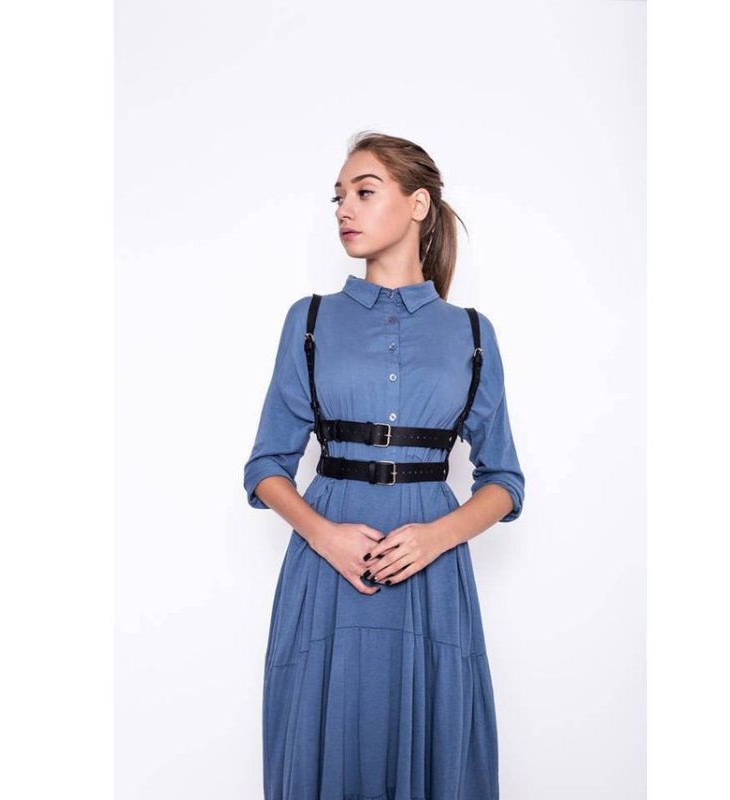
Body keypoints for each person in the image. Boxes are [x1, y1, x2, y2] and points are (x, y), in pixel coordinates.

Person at [243, 131, 525, 800]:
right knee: (321, 737)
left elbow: (504, 481)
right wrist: (326, 536)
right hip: (327, 567)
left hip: (431, 572)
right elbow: (265, 467)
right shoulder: (309, 321)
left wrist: (437, 537)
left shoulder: (473, 333)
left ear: (417, 204)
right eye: (339, 197)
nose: (345, 208)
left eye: (364, 192)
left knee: (435, 743)